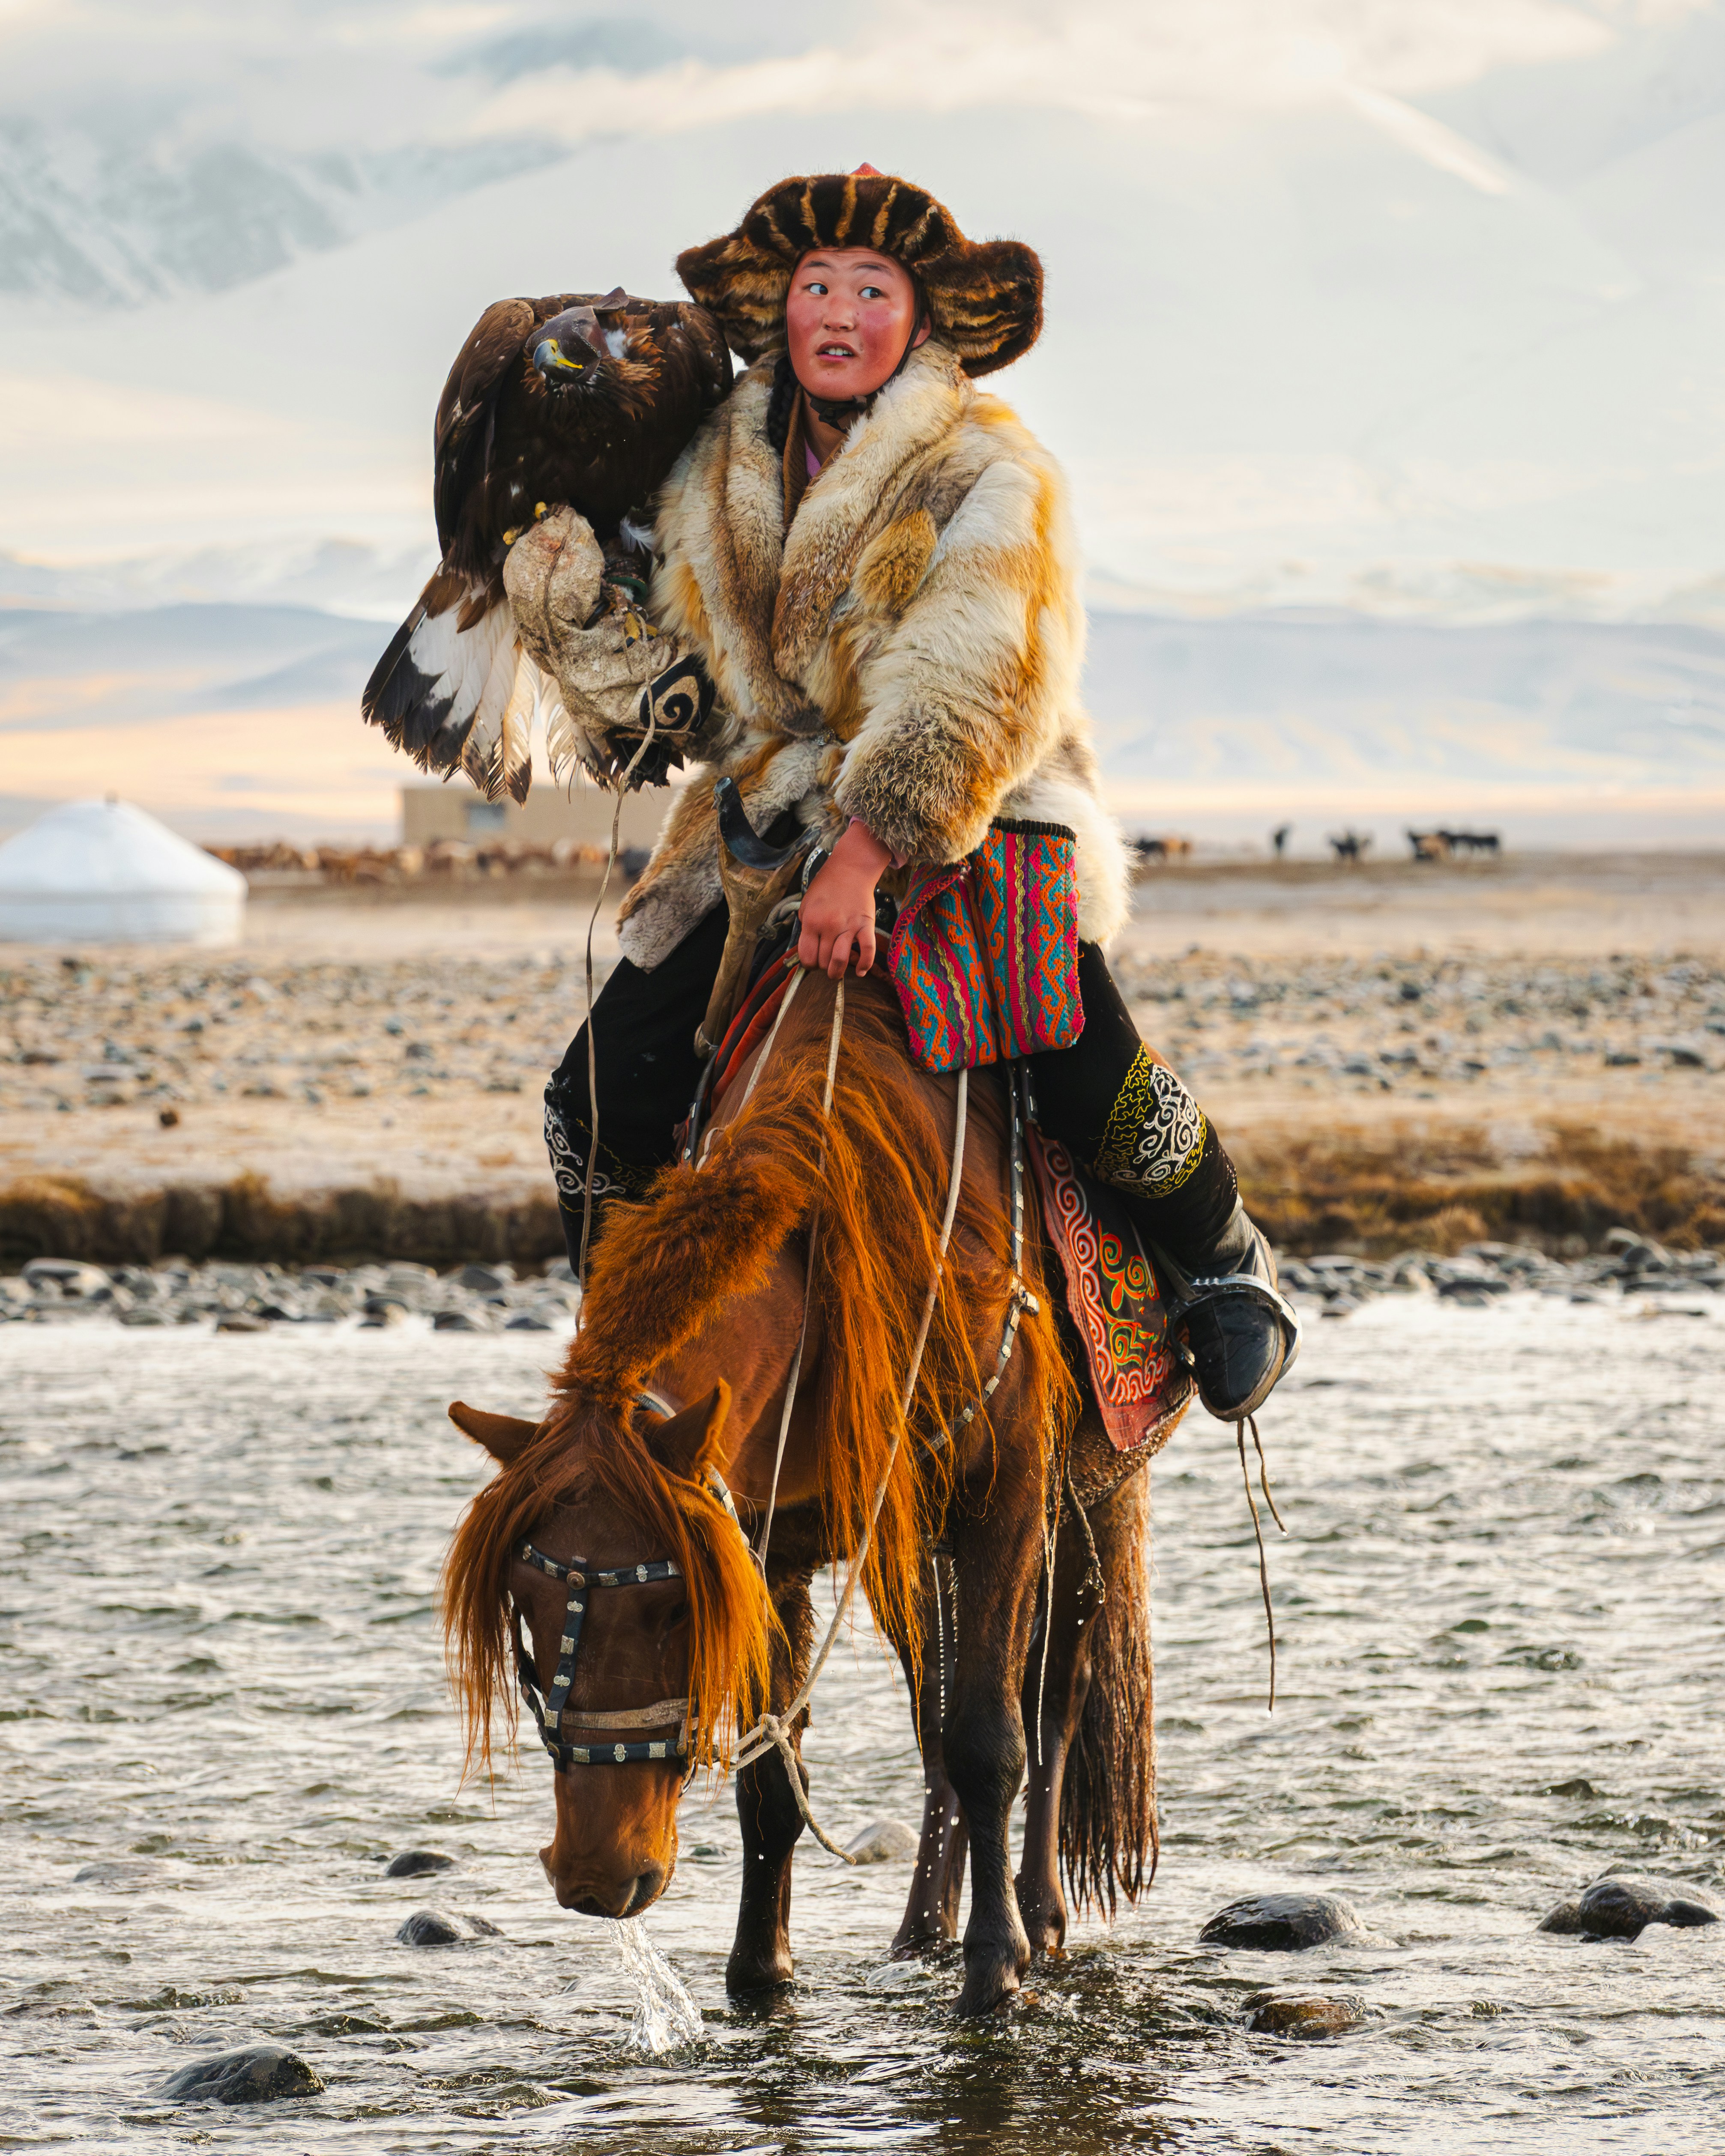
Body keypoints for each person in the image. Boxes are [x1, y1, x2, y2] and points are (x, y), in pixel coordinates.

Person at [504, 168, 1295, 1422]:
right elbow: (692, 692)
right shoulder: (709, 469)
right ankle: (627, 1355)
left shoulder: (990, 467)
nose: (836, 307)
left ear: (920, 320)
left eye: (870, 287)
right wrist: (572, 620)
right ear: (779, 308)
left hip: (969, 793)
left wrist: (867, 855)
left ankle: (1219, 1255)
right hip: (765, 806)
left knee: (1066, 1032)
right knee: (591, 1095)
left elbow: (978, 677)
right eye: (815, 282)